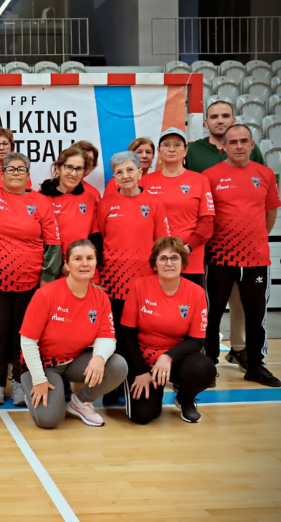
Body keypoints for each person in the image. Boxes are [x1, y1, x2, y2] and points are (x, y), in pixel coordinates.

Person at [0, 153, 61, 407]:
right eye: (10, 169)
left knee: (24, 335)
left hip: (31, 282)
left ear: (28, 174)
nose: (15, 173)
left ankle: (21, 382)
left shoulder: (41, 202)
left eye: (20, 169)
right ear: (1, 175)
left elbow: (53, 243)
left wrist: (47, 279)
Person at [185, 100, 266, 370]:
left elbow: (267, 203)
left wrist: (256, 235)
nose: (220, 120)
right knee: (213, 307)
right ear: (205, 122)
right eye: (214, 116)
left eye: (225, 116)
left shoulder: (256, 161)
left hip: (250, 250)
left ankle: (243, 351)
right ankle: (208, 362)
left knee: (247, 306)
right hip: (213, 247)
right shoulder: (195, 153)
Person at [203, 125, 281, 387]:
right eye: (233, 142)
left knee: (255, 314)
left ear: (252, 144)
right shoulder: (210, 175)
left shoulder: (265, 174)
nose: (238, 146)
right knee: (212, 313)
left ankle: (256, 366)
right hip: (219, 258)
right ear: (223, 146)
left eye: (243, 141)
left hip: (256, 259)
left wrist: (254, 238)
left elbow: (270, 213)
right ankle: (209, 365)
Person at [19, 240, 127, 428]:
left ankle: (80, 403)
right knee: (48, 420)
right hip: (45, 366)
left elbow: (107, 336)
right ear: (67, 265)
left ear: (95, 263)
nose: (84, 263)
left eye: (89, 258)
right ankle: (34, 388)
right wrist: (39, 379)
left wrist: (99, 358)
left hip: (74, 361)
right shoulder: (46, 294)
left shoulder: (100, 296)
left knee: (117, 365)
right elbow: (28, 341)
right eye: (78, 259)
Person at [119, 237, 215, 424]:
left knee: (204, 368)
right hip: (143, 361)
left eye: (174, 258)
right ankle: (153, 387)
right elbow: (127, 333)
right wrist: (140, 371)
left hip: (174, 359)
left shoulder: (196, 293)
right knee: (142, 416)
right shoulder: (139, 286)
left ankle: (185, 398)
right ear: (155, 264)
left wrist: (168, 356)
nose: (169, 263)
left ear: (183, 263)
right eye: (163, 258)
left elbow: (197, 340)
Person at [94, 151, 171, 327]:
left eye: (130, 170)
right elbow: (102, 239)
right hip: (113, 277)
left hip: (144, 275)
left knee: (143, 324)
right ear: (114, 178)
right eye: (119, 172)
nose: (125, 175)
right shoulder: (105, 204)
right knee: (116, 326)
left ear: (140, 172)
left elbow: (162, 243)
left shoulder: (154, 203)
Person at [140, 128, 215, 286]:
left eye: (177, 145)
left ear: (185, 150)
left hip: (189, 260)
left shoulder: (200, 181)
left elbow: (207, 223)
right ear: (159, 152)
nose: (172, 149)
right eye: (166, 145)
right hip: (154, 260)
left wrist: (187, 248)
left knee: (189, 308)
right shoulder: (145, 182)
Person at [38, 146, 97, 268]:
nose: (74, 173)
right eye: (69, 167)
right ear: (58, 168)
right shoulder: (41, 197)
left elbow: (95, 237)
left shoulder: (90, 198)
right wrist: (58, 266)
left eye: (79, 169)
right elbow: (36, 238)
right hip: (49, 269)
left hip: (82, 268)